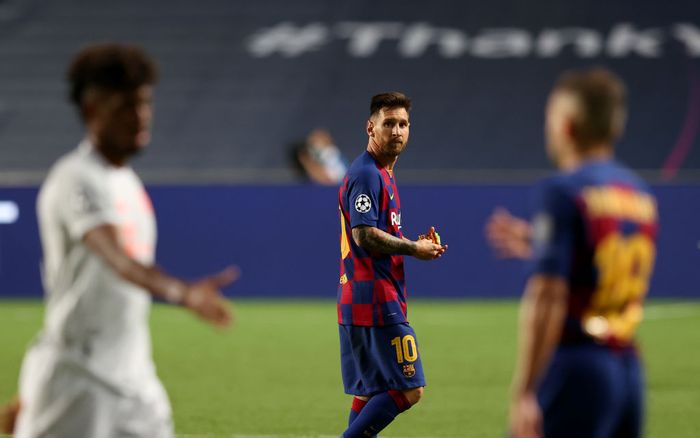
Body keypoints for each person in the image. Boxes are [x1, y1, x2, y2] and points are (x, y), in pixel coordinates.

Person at [11, 43, 238, 438]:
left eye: (145, 103)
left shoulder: (126, 182)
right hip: (78, 378)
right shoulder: (76, 177)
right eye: (126, 106)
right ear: (92, 111)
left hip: (134, 380)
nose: (141, 117)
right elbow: (118, 260)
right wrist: (183, 293)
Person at [485, 68, 658, 438]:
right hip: (627, 368)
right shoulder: (638, 194)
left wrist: (525, 391)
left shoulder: (563, 191)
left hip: (578, 368)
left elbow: (548, 295)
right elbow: (602, 256)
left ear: (566, 126)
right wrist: (537, 239)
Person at [337, 92, 447, 437]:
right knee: (409, 389)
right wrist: (413, 248)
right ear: (371, 128)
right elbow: (364, 235)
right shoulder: (368, 174)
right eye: (389, 123)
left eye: (403, 124)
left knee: (369, 392)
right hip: (375, 301)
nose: (397, 131)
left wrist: (413, 243)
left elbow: (379, 235)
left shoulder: (382, 173)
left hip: (364, 299)